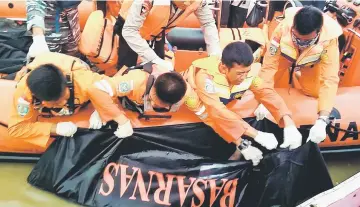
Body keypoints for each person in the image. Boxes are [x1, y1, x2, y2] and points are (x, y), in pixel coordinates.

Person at [181, 41, 303, 166]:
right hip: (196, 101)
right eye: (239, 73)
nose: (244, 77)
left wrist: (288, 122)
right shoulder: (206, 78)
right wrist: (254, 136)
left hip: (222, 100)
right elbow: (215, 112)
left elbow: (267, 93)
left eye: (247, 72)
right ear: (224, 68)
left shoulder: (247, 74)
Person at [254, 6, 342, 144]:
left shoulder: (329, 40)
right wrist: (264, 100)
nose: (300, 44)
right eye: (296, 38)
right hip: (285, 55)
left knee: (314, 91)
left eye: (306, 41)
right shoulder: (282, 29)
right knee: (267, 81)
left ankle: (298, 75)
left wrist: (322, 120)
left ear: (318, 33)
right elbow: (269, 67)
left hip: (311, 61)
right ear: (293, 28)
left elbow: (329, 79)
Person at [7, 52, 106, 147]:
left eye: (65, 98)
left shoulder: (83, 79)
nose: (63, 103)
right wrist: (55, 128)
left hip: (72, 67)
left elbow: (113, 85)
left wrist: (100, 109)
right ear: (43, 102)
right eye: (57, 102)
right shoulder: (24, 94)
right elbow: (16, 128)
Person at [87, 62, 200, 139]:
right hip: (126, 97)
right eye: (154, 101)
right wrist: (105, 112)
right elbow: (97, 89)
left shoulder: (186, 93)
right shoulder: (135, 81)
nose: (156, 105)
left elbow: (202, 111)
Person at [116, 0, 221, 71]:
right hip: (130, 28)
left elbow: (208, 24)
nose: (186, 4)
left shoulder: (197, 2)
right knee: (127, 69)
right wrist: (153, 58)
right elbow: (129, 31)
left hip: (158, 31)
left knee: (161, 70)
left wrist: (214, 54)